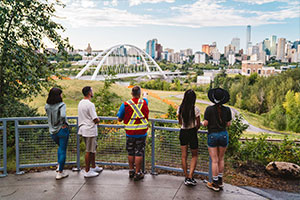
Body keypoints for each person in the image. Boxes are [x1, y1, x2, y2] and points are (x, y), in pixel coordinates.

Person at [117, 86, 149, 181]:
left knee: (130, 152)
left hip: (130, 133)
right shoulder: (144, 102)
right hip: (141, 133)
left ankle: (131, 171)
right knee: (139, 152)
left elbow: (119, 118)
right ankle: (138, 173)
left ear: (131, 94)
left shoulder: (125, 104)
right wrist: (145, 95)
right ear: (139, 94)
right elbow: (145, 100)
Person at [203, 88, 232, 192]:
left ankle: (214, 183)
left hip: (213, 135)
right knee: (221, 159)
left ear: (213, 98)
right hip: (224, 135)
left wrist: (203, 123)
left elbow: (205, 123)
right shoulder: (228, 110)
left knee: (214, 160)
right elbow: (228, 124)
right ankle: (220, 181)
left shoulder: (209, 109)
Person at [78, 86, 103, 178]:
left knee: (92, 149)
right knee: (89, 150)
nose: (93, 92)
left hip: (83, 129)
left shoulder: (81, 103)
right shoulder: (90, 105)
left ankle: (93, 166)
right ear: (89, 93)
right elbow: (95, 118)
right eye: (92, 91)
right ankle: (87, 171)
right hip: (90, 130)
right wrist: (98, 120)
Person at [177, 89, 201, 186]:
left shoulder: (180, 108)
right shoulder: (196, 109)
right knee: (194, 155)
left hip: (183, 132)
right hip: (192, 132)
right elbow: (198, 125)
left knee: (184, 156)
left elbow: (180, 122)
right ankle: (191, 176)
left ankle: (186, 177)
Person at [45, 87, 70, 180]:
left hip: (52, 131)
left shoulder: (47, 105)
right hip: (62, 129)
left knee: (60, 148)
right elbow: (63, 115)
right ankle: (60, 172)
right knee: (63, 149)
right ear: (58, 95)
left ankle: (59, 166)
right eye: (61, 94)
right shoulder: (61, 105)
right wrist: (64, 123)